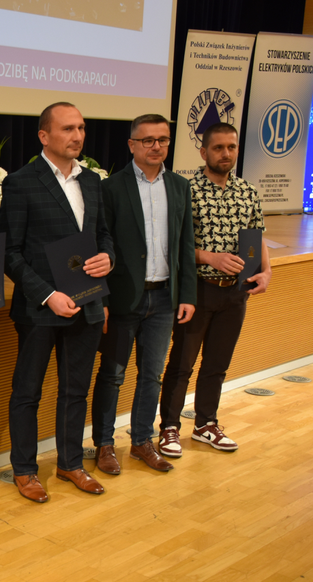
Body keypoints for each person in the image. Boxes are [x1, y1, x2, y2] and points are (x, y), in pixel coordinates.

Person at [2, 102, 115, 501]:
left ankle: (70, 463)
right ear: (44, 136)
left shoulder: (93, 181)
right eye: (68, 128)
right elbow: (10, 253)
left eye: (81, 128)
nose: (77, 135)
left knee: (75, 390)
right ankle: (25, 470)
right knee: (27, 393)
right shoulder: (21, 182)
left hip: (87, 302)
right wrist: (48, 295)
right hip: (40, 308)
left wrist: (108, 258)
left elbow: (104, 235)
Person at [90, 114, 196, 475]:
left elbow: (186, 244)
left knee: (152, 376)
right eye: (148, 140)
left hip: (164, 298)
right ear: (132, 145)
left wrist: (187, 294)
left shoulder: (179, 186)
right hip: (123, 299)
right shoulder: (111, 188)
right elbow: (101, 245)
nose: (156, 146)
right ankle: (104, 444)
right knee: (112, 375)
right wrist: (102, 300)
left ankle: (140, 441)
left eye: (162, 140)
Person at [158, 122, 272, 455]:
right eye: (218, 147)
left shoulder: (247, 190)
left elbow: (257, 236)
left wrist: (267, 271)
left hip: (236, 291)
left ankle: (206, 424)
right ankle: (169, 428)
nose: (226, 153)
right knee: (181, 365)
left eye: (231, 147)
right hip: (197, 289)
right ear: (203, 151)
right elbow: (172, 244)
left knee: (217, 365)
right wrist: (210, 257)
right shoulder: (185, 189)